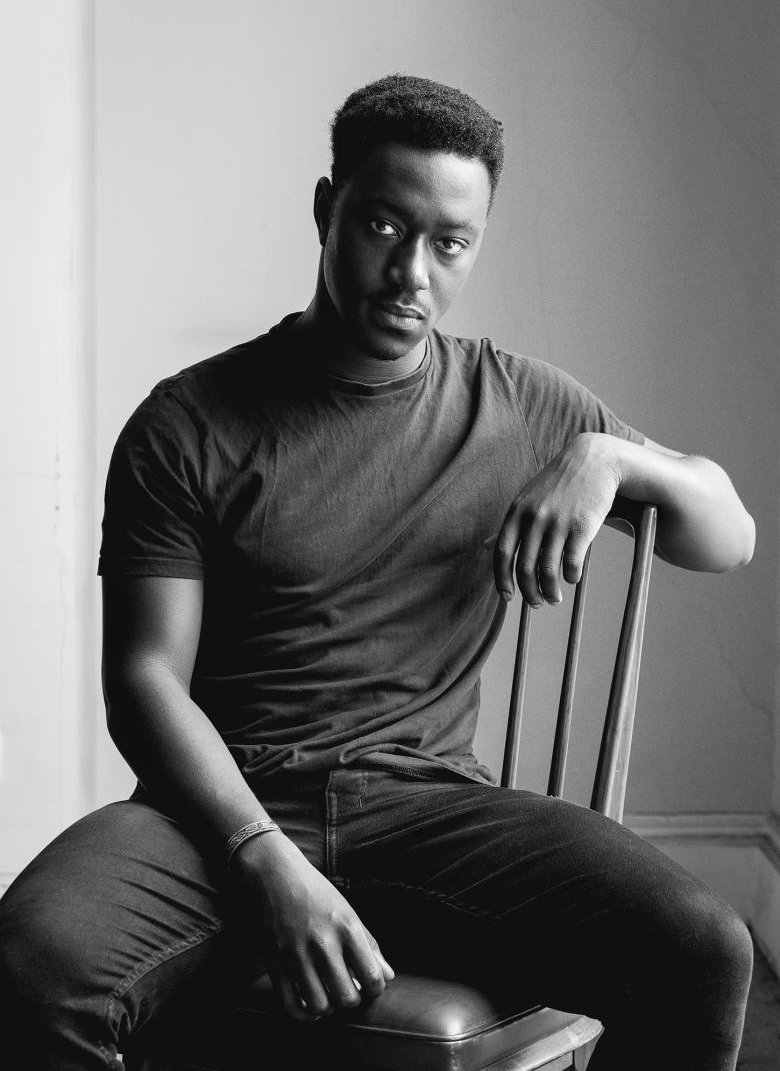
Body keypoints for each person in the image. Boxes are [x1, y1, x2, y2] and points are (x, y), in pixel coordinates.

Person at [0, 74, 756, 1070]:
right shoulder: (189, 423)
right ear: (328, 211)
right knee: (30, 963)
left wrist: (613, 458)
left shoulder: (522, 407)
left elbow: (727, 533)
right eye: (384, 227)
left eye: (452, 242)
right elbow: (144, 682)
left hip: (430, 813)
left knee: (703, 949)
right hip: (214, 812)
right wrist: (262, 857)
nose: (414, 273)